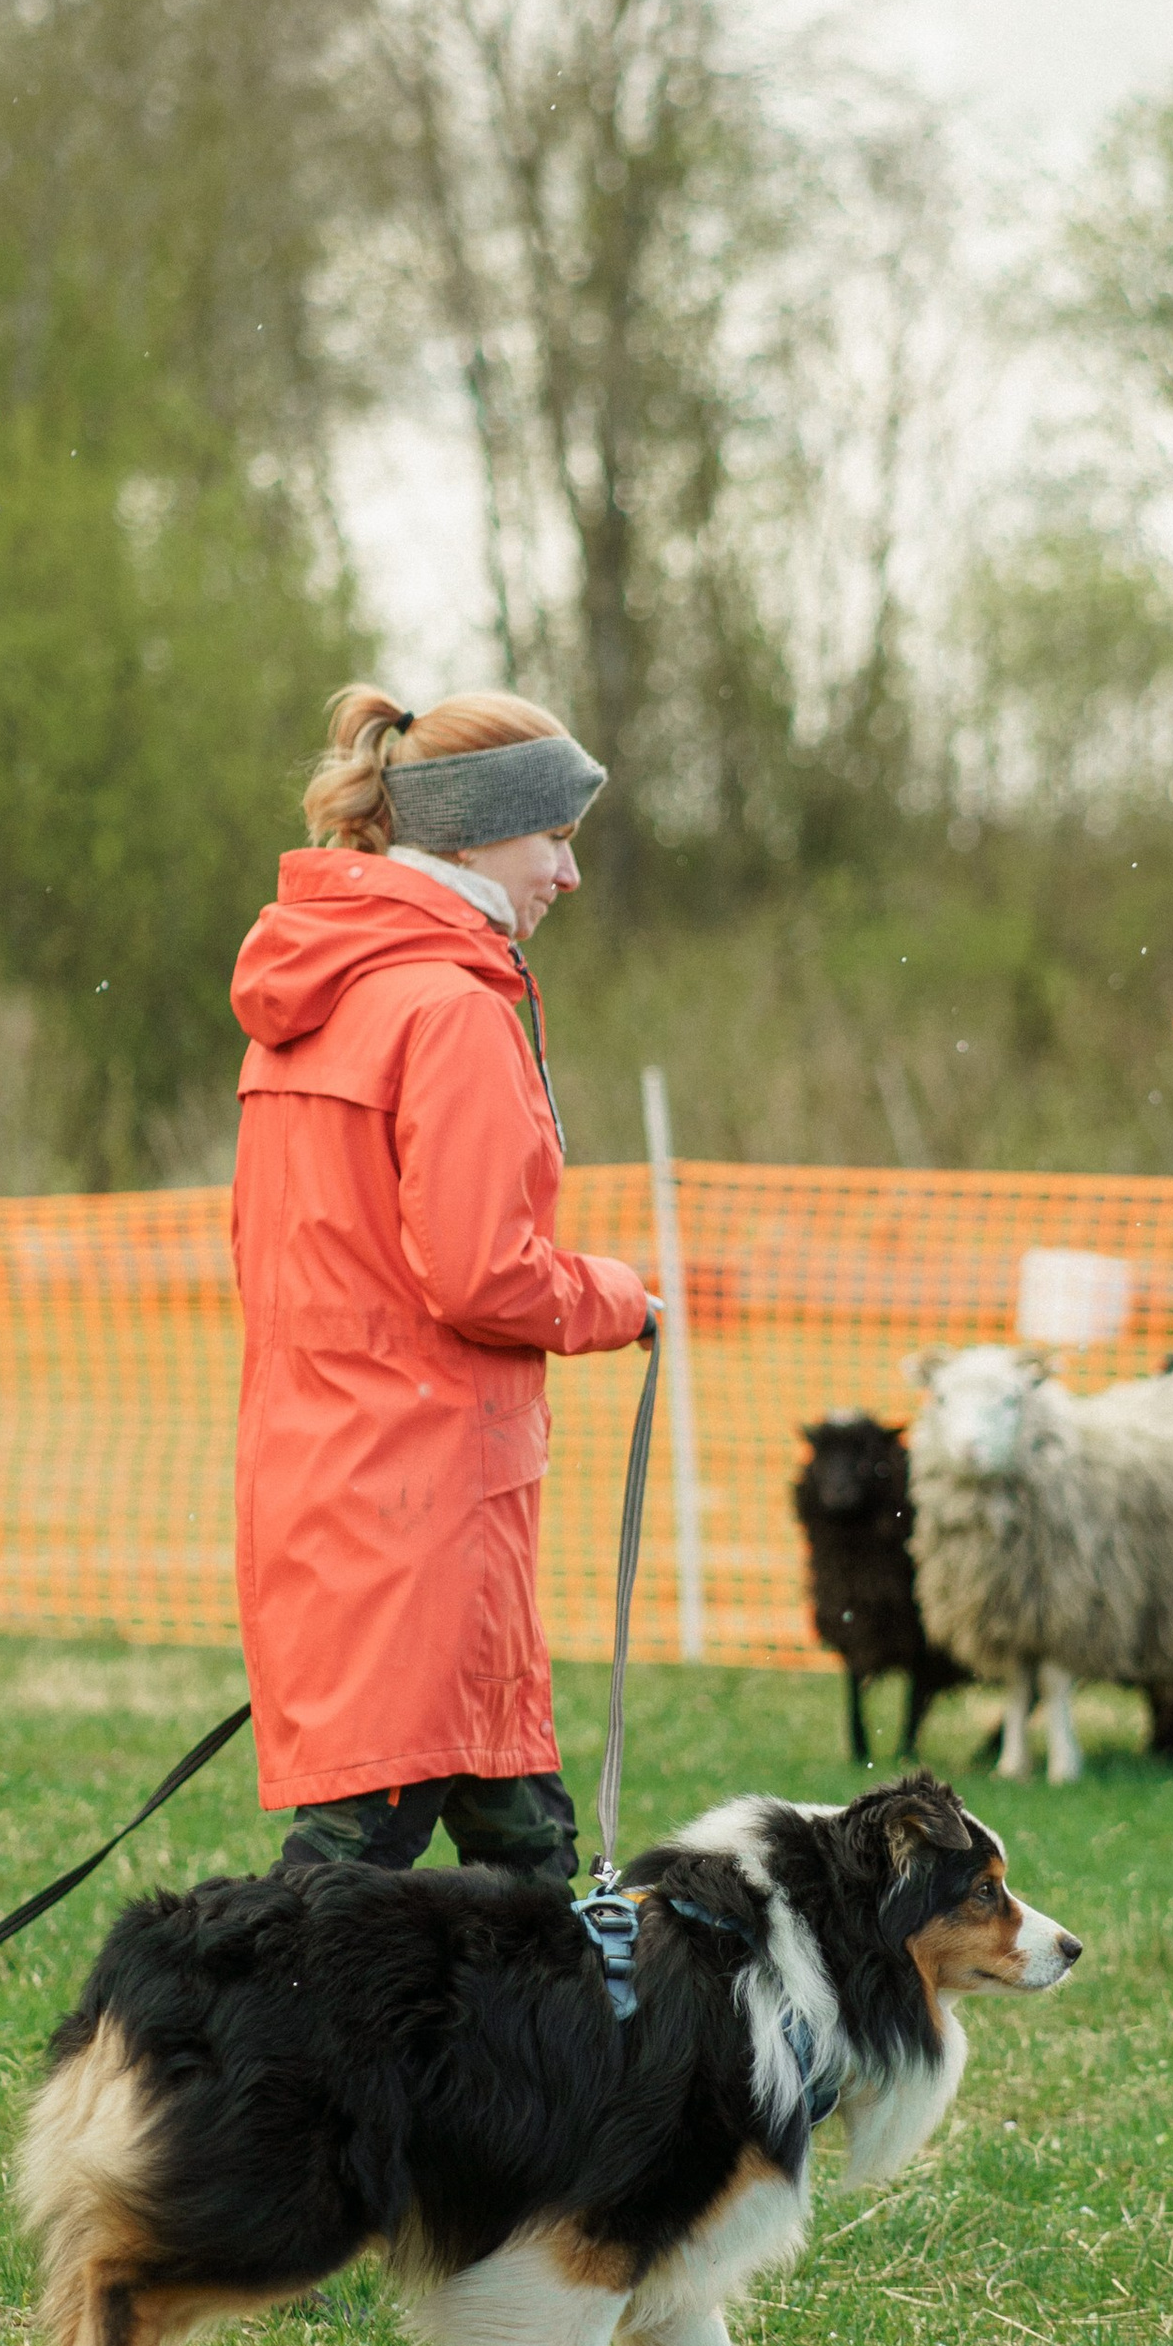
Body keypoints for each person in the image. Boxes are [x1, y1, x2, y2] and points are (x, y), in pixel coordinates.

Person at [228, 682, 654, 1889]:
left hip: (326, 1469)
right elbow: (484, 1277)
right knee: (357, 1857)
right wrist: (619, 1298)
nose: (567, 877)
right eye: (554, 840)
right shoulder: (449, 1010)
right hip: (430, 1489)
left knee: (518, 1840)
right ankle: (238, 2063)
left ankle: (525, 2077)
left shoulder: (312, 1005)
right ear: (469, 834)